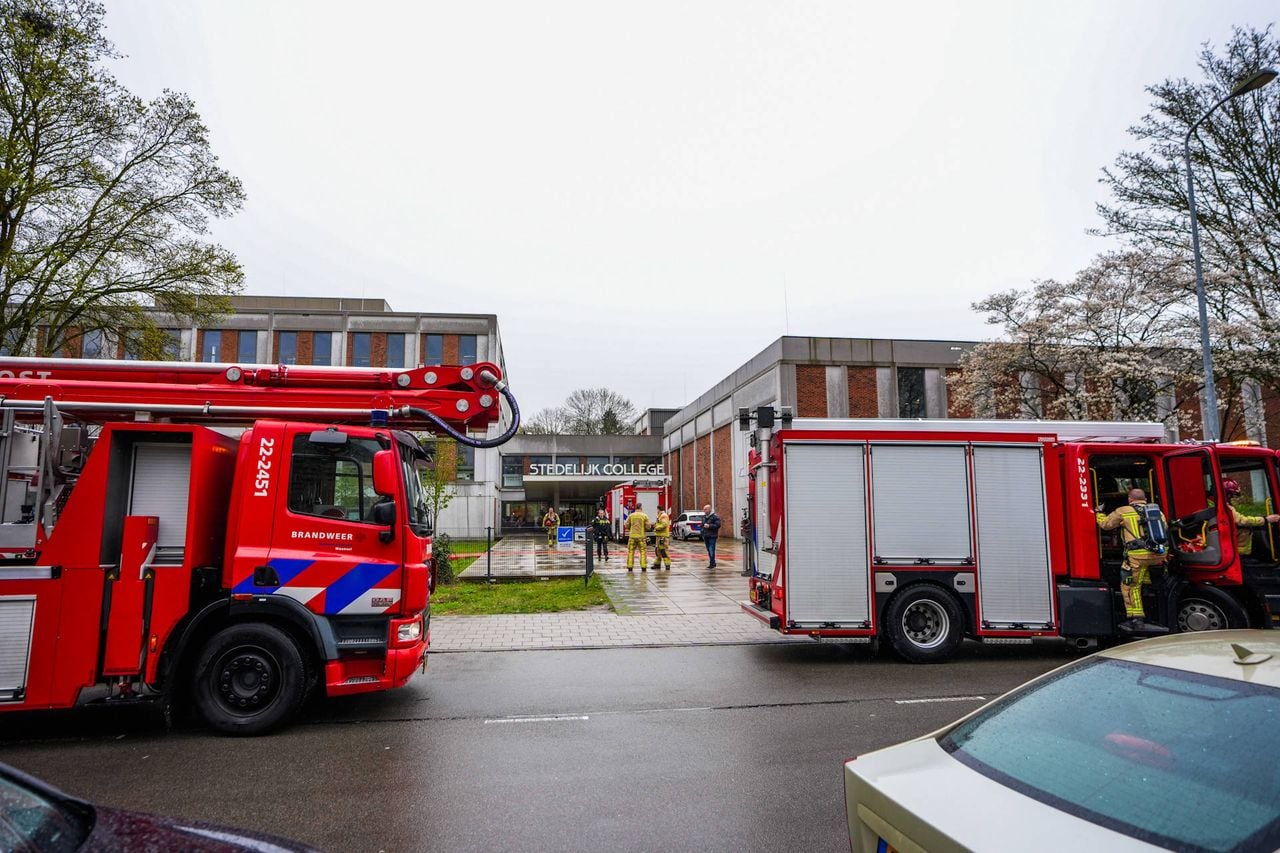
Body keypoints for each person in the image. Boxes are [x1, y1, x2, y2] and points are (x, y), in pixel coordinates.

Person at [1096, 488, 1169, 633]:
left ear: (1130, 499)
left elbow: (1106, 525)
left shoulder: (1123, 511)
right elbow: (1164, 528)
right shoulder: (1157, 512)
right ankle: (1153, 611)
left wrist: (1098, 513)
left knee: (1130, 586)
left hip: (1137, 556)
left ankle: (1137, 620)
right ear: (1145, 499)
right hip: (1158, 555)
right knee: (1145, 582)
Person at [1222, 478, 1280, 558]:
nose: (1231, 498)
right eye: (1230, 495)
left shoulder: (1213, 504)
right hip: (1235, 551)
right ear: (1226, 494)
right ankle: (1243, 558)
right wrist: (1265, 519)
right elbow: (1241, 521)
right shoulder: (1224, 507)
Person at [625, 502, 651, 572]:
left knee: (630, 551)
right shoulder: (644, 516)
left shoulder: (631, 516)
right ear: (641, 508)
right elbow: (648, 527)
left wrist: (631, 528)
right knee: (643, 552)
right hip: (641, 537)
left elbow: (626, 525)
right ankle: (643, 567)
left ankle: (630, 567)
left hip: (632, 537)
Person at [651, 504, 672, 570]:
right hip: (659, 536)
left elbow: (664, 524)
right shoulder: (660, 516)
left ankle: (667, 565)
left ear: (659, 509)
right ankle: (657, 565)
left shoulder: (663, 516)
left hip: (663, 536)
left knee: (663, 551)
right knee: (658, 551)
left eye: (657, 510)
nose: (656, 511)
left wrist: (656, 527)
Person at [702, 504, 722, 568]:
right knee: (708, 550)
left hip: (712, 536)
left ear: (710, 509)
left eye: (706, 509)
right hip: (706, 536)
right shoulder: (704, 517)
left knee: (711, 550)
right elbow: (702, 524)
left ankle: (712, 563)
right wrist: (702, 530)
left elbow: (718, 525)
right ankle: (713, 562)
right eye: (704, 509)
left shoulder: (715, 517)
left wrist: (709, 526)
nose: (704, 510)